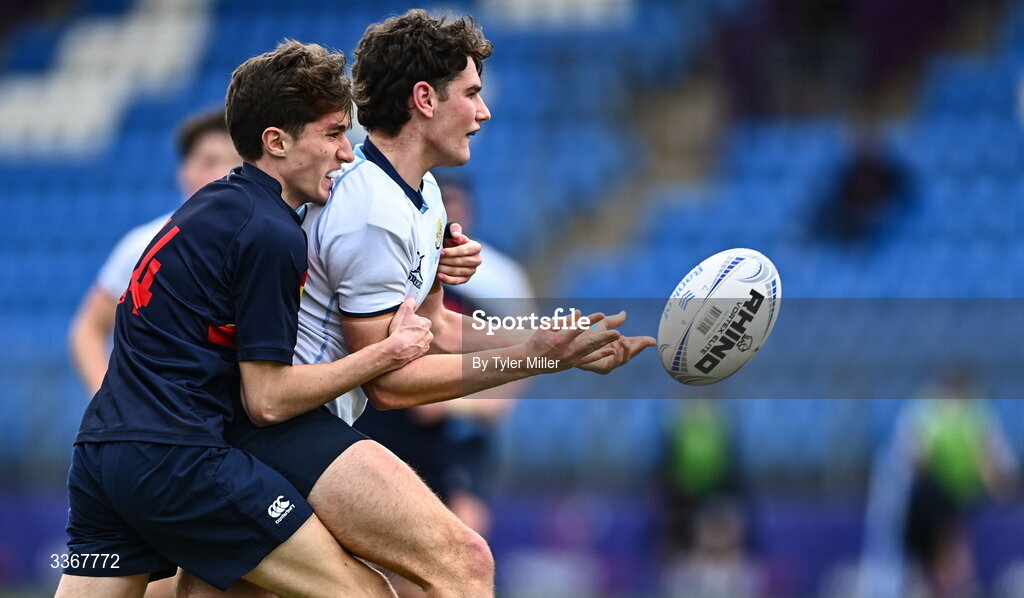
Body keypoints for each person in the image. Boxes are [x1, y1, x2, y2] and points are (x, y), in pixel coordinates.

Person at [205, 10, 656, 598]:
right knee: (463, 561)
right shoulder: (370, 208)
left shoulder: (422, 193)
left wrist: (558, 343)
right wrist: (533, 358)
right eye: (471, 94)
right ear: (424, 98)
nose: (483, 112)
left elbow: (437, 326)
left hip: (296, 424)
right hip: (281, 428)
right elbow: (392, 382)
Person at [55, 40, 436, 598]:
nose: (347, 154)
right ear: (275, 142)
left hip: (100, 455)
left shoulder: (206, 207)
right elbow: (267, 399)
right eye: (332, 134)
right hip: (180, 459)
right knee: (367, 594)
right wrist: (386, 352)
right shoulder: (270, 233)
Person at [69, 110, 240, 397]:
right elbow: (88, 328)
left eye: (235, 162)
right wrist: (107, 400)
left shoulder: (265, 241)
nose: (222, 172)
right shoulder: (143, 244)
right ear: (184, 170)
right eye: (209, 161)